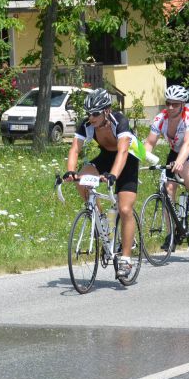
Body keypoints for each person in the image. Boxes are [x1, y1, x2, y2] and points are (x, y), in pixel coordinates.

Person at [63, 88, 140, 280]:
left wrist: (113, 175)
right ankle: (102, 221)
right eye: (89, 113)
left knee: (124, 208)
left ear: (107, 111)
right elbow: (74, 149)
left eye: (95, 113)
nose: (91, 117)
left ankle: (126, 259)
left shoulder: (119, 121)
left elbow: (122, 152)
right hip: (106, 156)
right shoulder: (87, 124)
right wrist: (71, 171)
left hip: (128, 158)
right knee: (81, 178)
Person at [143, 84, 189, 247]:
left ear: (183, 105)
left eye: (175, 104)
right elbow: (150, 143)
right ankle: (171, 234)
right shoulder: (160, 118)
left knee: (185, 171)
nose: (171, 107)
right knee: (168, 189)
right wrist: (143, 158)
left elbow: (188, 143)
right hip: (175, 151)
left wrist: (179, 162)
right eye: (168, 103)